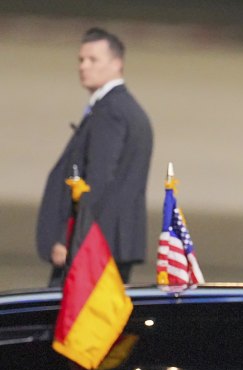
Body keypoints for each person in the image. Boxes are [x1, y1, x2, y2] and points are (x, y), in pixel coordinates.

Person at [36, 27, 153, 286]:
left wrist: (72, 240)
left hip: (92, 247)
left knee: (72, 323)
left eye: (93, 60)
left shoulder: (110, 111)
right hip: (110, 242)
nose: (83, 66)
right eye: (81, 60)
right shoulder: (125, 108)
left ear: (116, 64)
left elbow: (99, 181)